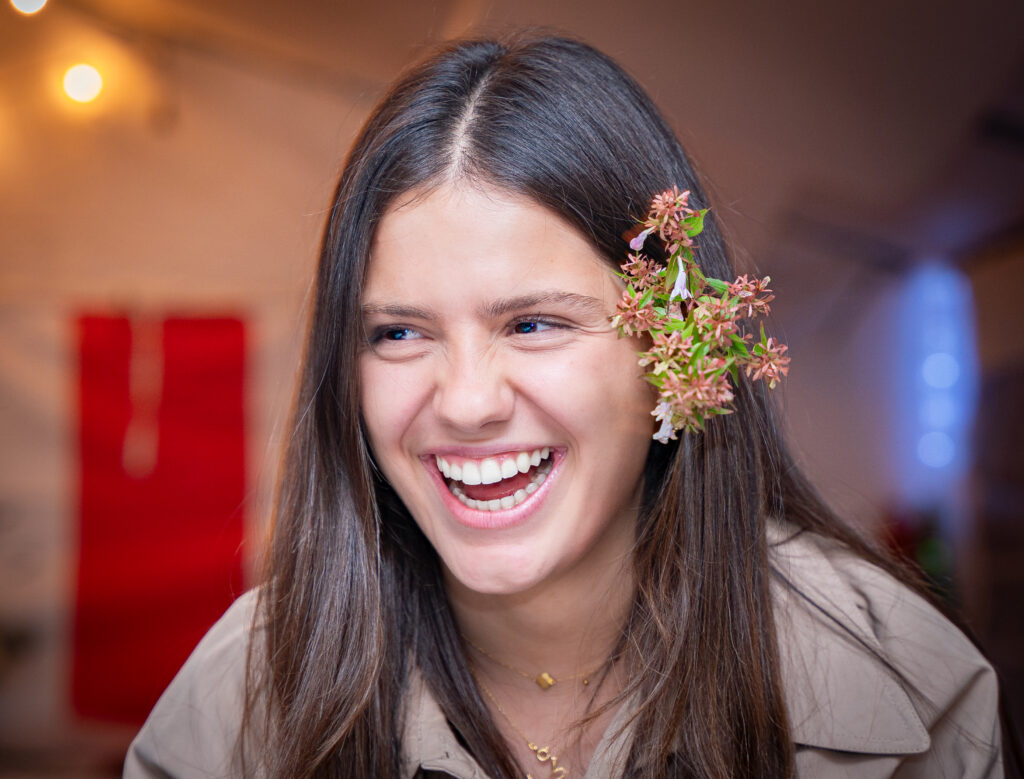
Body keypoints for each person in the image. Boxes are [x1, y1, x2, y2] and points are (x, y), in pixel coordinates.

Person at [124, 34, 1008, 778]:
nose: (467, 401)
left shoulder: (901, 685)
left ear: (674, 349)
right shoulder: (238, 700)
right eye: (398, 333)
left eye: (534, 323)